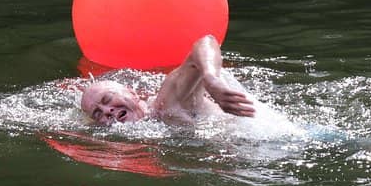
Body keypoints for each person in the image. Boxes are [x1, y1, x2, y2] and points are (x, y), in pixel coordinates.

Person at [80, 35, 256, 125]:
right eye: (97, 113)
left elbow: (206, 42)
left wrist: (211, 79)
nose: (107, 111)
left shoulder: (166, 105)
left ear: (133, 94)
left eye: (107, 99)